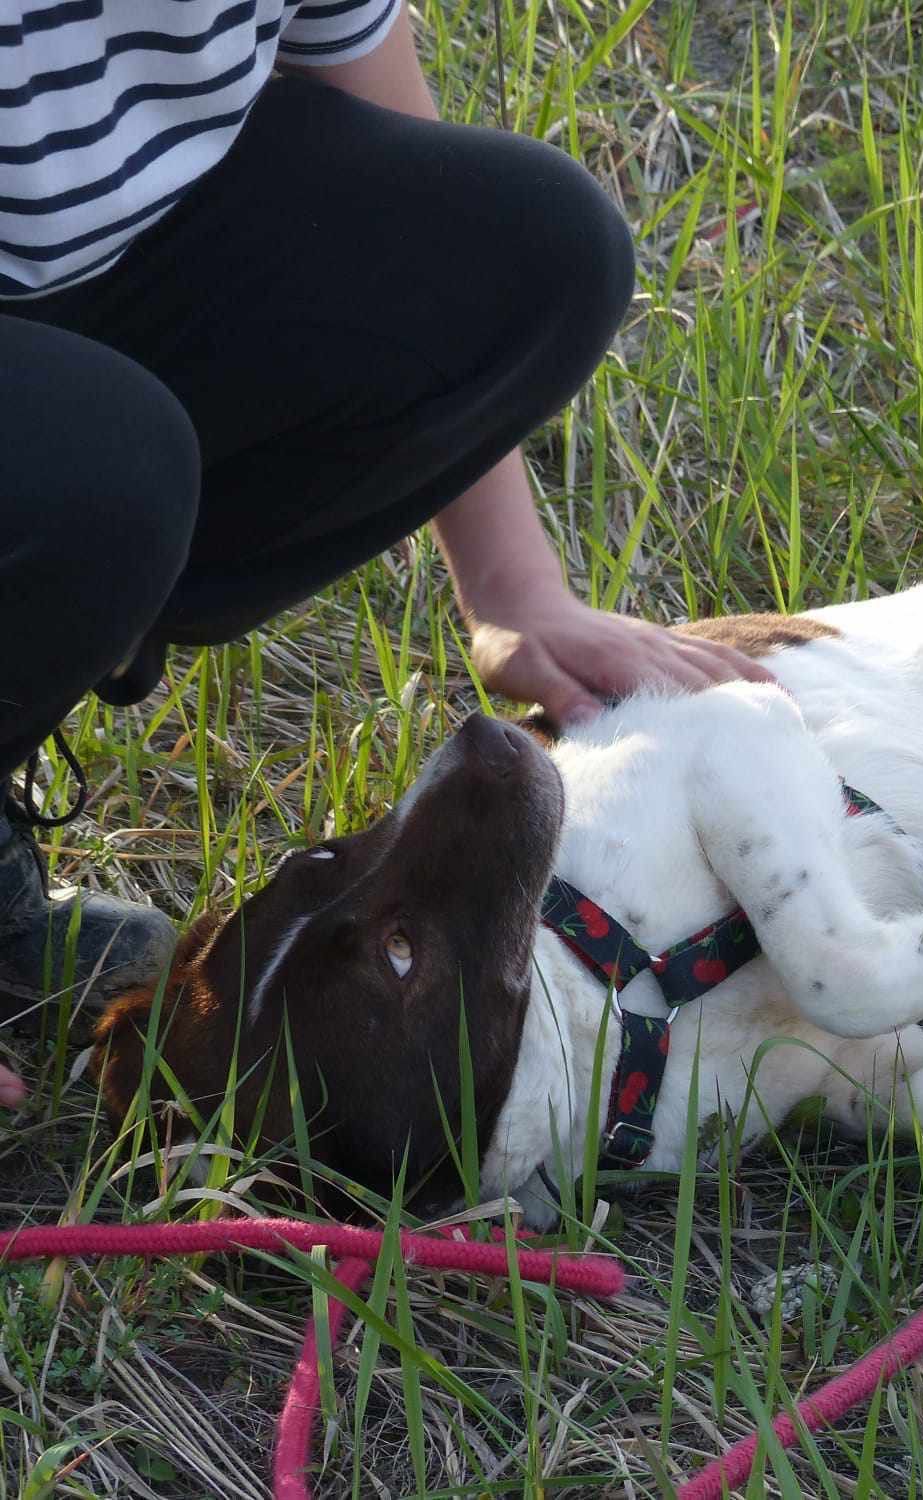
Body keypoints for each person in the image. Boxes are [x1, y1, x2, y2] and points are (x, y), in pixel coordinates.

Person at [0, 2, 768, 1108]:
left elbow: (395, 146)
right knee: (99, 464)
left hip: (85, 297)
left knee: (533, 246)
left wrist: (514, 586)